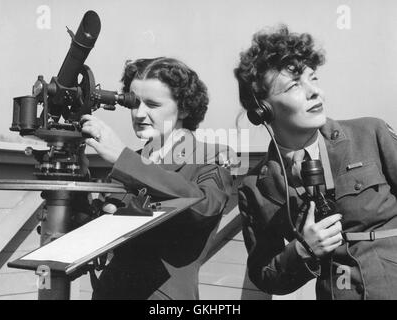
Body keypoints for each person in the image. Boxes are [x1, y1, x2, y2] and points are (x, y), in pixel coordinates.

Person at [234, 25, 397, 300]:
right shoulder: (257, 187)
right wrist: (302, 250)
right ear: (262, 109)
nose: (315, 92)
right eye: (294, 85)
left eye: (313, 78)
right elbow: (264, 275)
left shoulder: (371, 134)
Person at [80, 57, 236, 299]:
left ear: (183, 107)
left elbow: (203, 206)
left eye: (153, 104)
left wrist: (125, 159)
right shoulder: (132, 161)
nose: (139, 113)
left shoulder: (213, 156)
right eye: (133, 103)